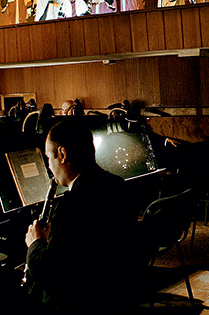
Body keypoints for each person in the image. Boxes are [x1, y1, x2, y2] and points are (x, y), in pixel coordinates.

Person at [24, 119, 139, 313]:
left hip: (82, 301)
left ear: (62, 154)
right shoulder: (118, 185)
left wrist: (36, 243)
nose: (49, 166)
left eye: (49, 157)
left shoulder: (69, 205)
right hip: (118, 294)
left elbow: (51, 274)